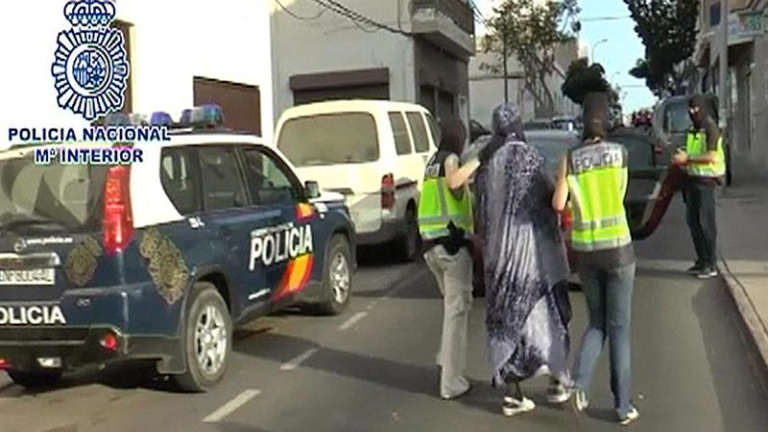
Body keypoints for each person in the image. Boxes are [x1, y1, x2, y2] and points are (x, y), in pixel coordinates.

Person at [475, 103, 572, 417]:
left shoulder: (487, 167)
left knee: (505, 322)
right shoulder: (530, 159)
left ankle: (513, 393)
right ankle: (557, 382)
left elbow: (480, 214)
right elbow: (549, 202)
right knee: (548, 317)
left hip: (498, 261)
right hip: (532, 258)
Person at [553, 92, 639, 425]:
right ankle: (623, 406)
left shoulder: (570, 158)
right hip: (618, 250)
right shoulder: (621, 154)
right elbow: (620, 194)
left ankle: (579, 384)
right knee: (619, 329)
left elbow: (558, 204)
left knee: (596, 324)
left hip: (586, 252)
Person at [418, 119, 480, 400]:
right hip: (452, 245)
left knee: (450, 307)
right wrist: (478, 160)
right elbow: (455, 183)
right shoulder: (451, 160)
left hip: (431, 247)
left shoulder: (432, 162)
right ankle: (451, 382)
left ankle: (445, 360)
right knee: (457, 311)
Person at [673, 95, 726, 279]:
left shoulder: (710, 128)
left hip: (707, 181)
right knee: (693, 222)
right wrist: (684, 157)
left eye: (696, 108)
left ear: (703, 108)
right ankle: (702, 260)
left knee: (706, 224)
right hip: (692, 179)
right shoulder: (692, 130)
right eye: (690, 108)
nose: (692, 112)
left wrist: (688, 158)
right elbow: (694, 152)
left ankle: (710, 263)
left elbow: (711, 156)